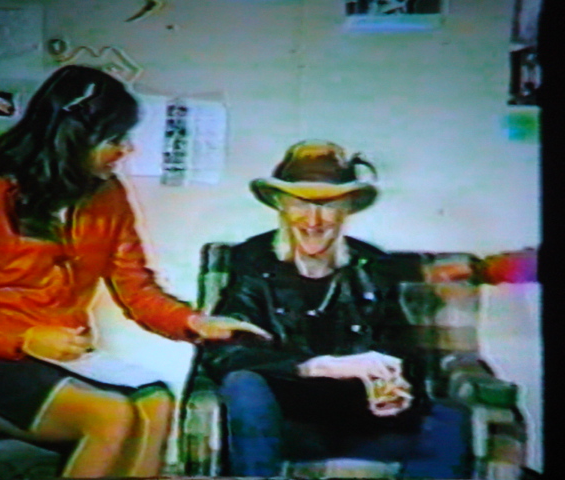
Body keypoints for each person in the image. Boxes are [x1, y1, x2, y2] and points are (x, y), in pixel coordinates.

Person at [0, 65, 269, 479]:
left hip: (64, 357)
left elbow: (136, 288)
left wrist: (194, 322)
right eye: (115, 139)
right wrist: (26, 338)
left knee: (157, 400)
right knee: (111, 417)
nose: (127, 150)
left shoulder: (107, 197)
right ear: (74, 139)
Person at [201, 140, 474, 478]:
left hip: (361, 423)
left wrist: (399, 390)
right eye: (300, 203)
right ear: (281, 207)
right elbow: (224, 353)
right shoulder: (252, 261)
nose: (313, 220)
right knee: (243, 384)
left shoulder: (372, 265)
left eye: (328, 205)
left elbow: (405, 351)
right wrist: (316, 367)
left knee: (450, 417)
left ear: (346, 210)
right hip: (285, 427)